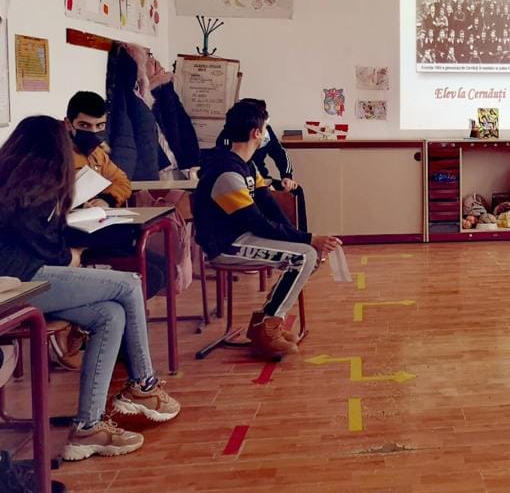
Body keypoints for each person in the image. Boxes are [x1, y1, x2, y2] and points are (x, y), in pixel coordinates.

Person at [0, 116, 180, 461]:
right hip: (21, 284)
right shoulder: (36, 183)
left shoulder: (15, 179)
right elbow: (42, 244)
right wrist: (70, 256)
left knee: (110, 315)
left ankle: (88, 427)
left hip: (21, 280)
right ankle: (144, 385)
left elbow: (35, 236)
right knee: (129, 283)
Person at [195, 101, 340, 358]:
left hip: (243, 236)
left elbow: (269, 207)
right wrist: (309, 239)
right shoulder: (227, 172)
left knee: (307, 253)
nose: (266, 134)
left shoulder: (248, 166)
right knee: (304, 256)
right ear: (256, 133)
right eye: (265, 129)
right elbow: (257, 223)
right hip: (225, 245)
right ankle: (268, 325)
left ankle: (265, 322)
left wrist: (302, 239)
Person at [64, 91, 167, 298]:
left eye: (100, 126)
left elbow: (122, 181)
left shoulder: (97, 154)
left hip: (96, 225)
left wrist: (106, 199)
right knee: (151, 275)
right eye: (84, 125)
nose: (93, 132)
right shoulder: (59, 154)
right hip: (72, 235)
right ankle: (121, 304)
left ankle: (126, 306)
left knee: (163, 266)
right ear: (69, 124)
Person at [216, 98, 299, 193]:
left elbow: (279, 153)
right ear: (256, 133)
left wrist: (286, 176)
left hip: (261, 178)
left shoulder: (266, 132)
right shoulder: (227, 140)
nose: (265, 133)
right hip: (241, 180)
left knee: (295, 191)